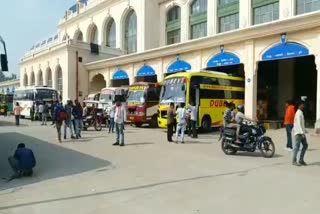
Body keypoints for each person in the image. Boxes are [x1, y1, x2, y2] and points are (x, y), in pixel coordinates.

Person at [292, 101, 308, 166]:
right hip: (299, 133)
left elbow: (301, 124)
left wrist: (304, 130)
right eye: (302, 105)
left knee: (305, 145)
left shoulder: (300, 113)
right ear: (299, 106)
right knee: (297, 147)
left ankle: (301, 160)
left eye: (303, 105)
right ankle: (294, 161)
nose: (303, 106)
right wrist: (302, 133)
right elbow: (298, 123)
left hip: (301, 132)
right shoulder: (298, 113)